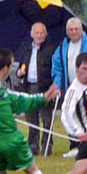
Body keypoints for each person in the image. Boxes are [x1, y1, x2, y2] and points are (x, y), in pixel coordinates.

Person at [51, 18, 87, 158]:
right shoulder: (62, 47)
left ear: (81, 30)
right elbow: (57, 69)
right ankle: (74, 146)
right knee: (71, 115)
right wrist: (57, 86)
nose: (74, 32)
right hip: (71, 88)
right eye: (71, 30)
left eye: (76, 29)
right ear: (67, 32)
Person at [17, 22, 57, 155]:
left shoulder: (50, 50)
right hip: (29, 87)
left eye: (41, 33)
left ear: (45, 35)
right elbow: (22, 66)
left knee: (46, 120)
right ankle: (33, 147)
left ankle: (47, 147)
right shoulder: (26, 50)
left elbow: (54, 69)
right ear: (32, 34)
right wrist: (19, 72)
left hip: (44, 88)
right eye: (37, 33)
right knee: (31, 119)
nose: (39, 36)